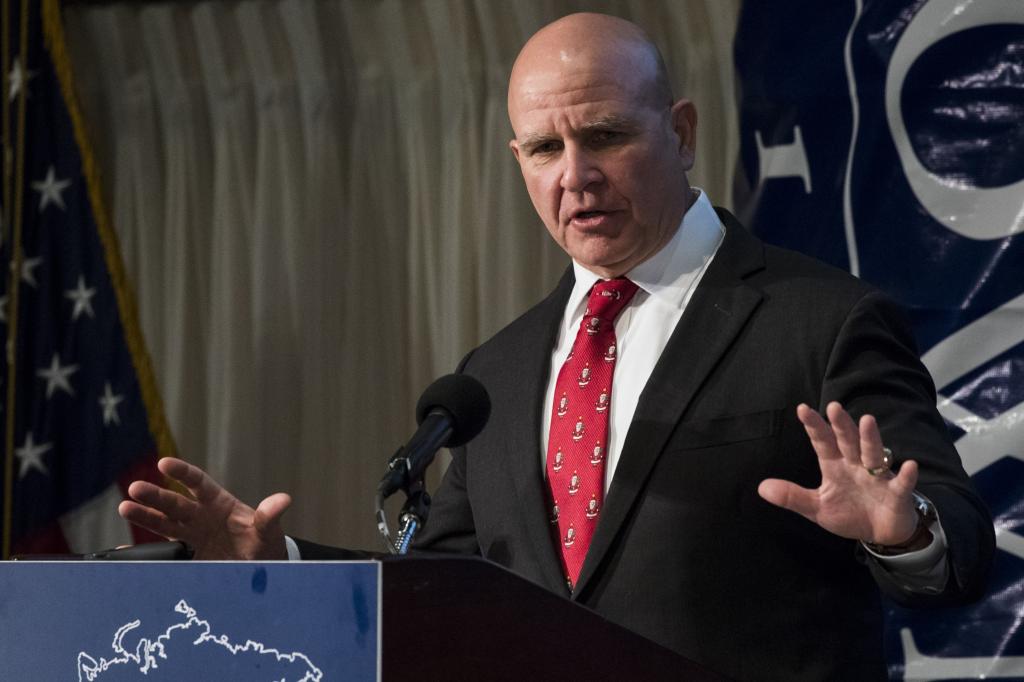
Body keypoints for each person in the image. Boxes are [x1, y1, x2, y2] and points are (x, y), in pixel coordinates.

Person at [119, 13, 994, 681]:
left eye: (604, 135)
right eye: (544, 147)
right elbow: (444, 589)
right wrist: (283, 565)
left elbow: (959, 547)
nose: (574, 173)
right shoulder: (493, 376)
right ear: (518, 159)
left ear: (682, 132)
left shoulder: (819, 320)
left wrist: (901, 533)